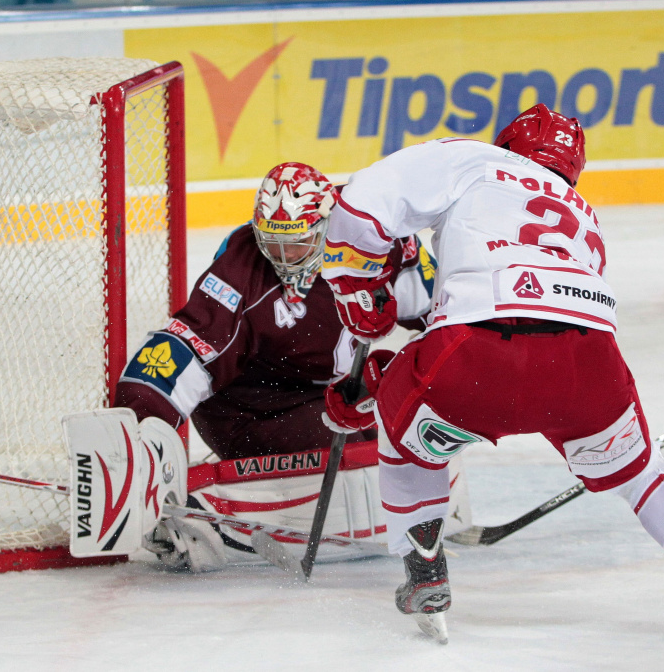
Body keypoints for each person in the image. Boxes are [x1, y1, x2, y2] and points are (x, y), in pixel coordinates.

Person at [319, 105, 664, 645]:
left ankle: (424, 568)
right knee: (642, 471)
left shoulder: (474, 159)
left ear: (508, 144)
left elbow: (364, 201)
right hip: (591, 367)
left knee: (406, 431)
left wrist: (357, 289)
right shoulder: (583, 211)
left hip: (480, 355)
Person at [112, 162, 470, 571]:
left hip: (324, 393)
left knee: (407, 419)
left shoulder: (379, 243)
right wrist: (138, 418)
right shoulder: (242, 269)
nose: (283, 257)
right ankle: (201, 516)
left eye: (297, 242)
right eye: (272, 241)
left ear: (325, 226)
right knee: (360, 441)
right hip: (248, 412)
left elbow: (442, 314)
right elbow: (187, 346)